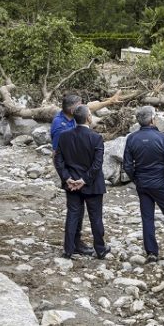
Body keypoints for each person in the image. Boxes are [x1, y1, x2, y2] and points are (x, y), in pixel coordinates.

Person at [122, 106, 164, 263]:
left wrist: (136, 179)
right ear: (152, 119)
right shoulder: (162, 137)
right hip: (159, 182)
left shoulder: (131, 138)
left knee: (147, 217)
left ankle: (152, 252)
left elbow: (127, 165)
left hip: (142, 183)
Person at [53, 105, 109, 259]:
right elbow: (97, 164)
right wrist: (84, 180)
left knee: (72, 216)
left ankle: (69, 249)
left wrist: (67, 178)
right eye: (90, 114)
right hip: (92, 185)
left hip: (71, 184)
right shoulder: (96, 137)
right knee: (95, 217)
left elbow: (58, 160)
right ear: (88, 118)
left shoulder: (64, 136)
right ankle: (100, 249)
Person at [51, 94, 92, 255]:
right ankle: (71, 246)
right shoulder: (59, 125)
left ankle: (75, 242)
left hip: (81, 171)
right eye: (80, 104)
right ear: (73, 109)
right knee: (74, 210)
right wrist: (65, 178)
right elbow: (56, 154)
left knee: (78, 211)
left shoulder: (75, 118)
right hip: (70, 173)